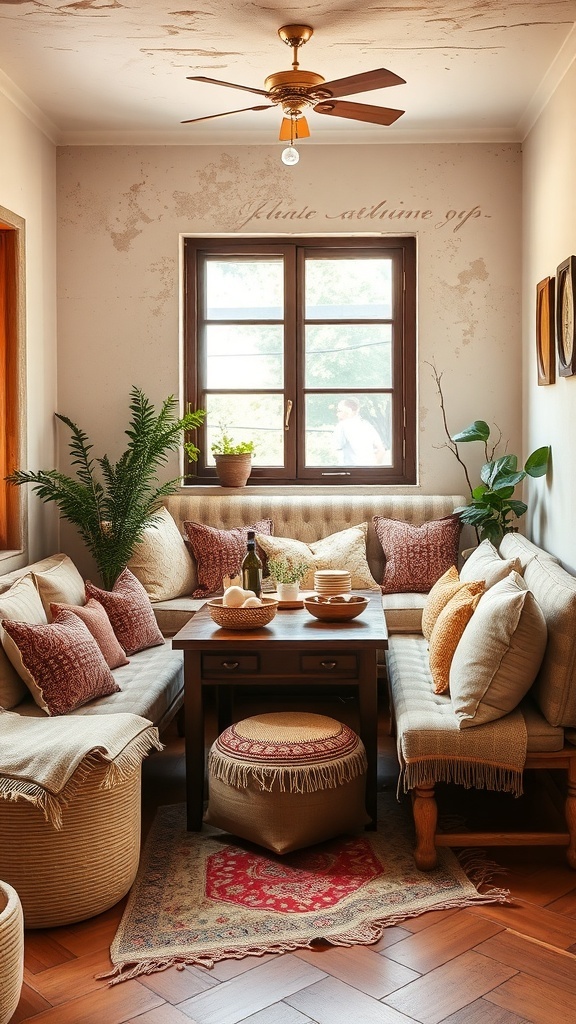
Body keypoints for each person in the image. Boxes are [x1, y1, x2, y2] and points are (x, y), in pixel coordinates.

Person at [333, 398, 387, 466]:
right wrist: (374, 470)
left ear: (348, 411)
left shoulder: (342, 426)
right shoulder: (367, 425)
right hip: (367, 472)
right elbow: (381, 450)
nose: (337, 414)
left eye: (339, 411)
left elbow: (335, 451)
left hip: (350, 472)